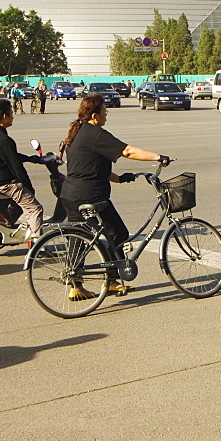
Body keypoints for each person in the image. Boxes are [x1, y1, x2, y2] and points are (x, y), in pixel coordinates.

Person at [59, 93, 170, 299]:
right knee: (117, 233)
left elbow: (89, 166)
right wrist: (157, 157)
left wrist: (120, 179)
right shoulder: (95, 134)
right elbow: (127, 151)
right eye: (104, 111)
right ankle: (112, 280)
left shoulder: (78, 133)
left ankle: (75, 284)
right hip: (90, 197)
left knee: (78, 239)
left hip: (70, 194)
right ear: (94, 115)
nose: (106, 115)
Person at [0, 98, 47, 242]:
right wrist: (28, 187)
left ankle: (6, 228)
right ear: (4, 116)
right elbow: (16, 167)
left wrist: (33, 159)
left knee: (18, 206)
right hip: (6, 184)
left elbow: (10, 156)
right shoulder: (4, 140)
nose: (13, 117)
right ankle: (37, 244)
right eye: (11, 113)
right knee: (35, 208)